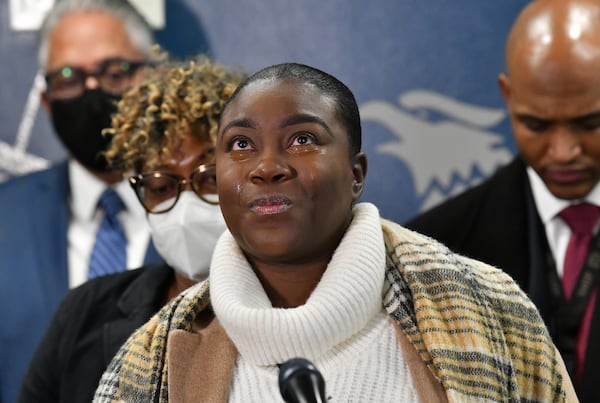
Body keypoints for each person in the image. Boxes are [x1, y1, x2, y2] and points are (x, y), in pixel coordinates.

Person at [94, 62, 577, 402]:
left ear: (357, 174)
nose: (266, 167)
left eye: (302, 139)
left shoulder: (493, 311)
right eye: (240, 144)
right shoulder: (148, 362)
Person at [17, 57, 245, 403]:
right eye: (162, 185)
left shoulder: (297, 308)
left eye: (209, 178)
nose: (185, 205)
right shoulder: (86, 310)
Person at [406, 0, 600, 400]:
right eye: (536, 124)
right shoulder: (434, 247)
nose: (563, 151)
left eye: (590, 123)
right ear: (507, 96)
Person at [0, 0, 162, 400]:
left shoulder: (214, 213)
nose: (92, 91)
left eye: (114, 71)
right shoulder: (6, 217)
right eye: (69, 77)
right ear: (46, 101)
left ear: (154, 79)